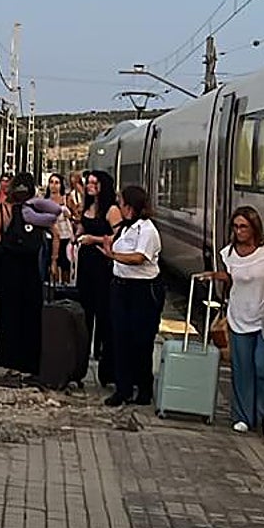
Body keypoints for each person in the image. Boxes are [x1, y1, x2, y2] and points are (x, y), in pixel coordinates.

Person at [207, 206, 264, 440]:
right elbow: (233, 280)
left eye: (243, 226)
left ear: (254, 227)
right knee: (242, 369)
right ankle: (242, 416)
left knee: (263, 366)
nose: (239, 231)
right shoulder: (228, 253)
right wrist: (220, 277)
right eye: (236, 227)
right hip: (239, 317)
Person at [0, 173, 62, 386]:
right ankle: (32, 366)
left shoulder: (3, 208)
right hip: (31, 270)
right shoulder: (35, 211)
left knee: (10, 317)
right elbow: (55, 229)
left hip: (9, 270)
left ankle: (11, 367)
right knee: (31, 316)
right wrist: (54, 261)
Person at [100, 186, 164, 407]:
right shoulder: (128, 228)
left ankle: (144, 387)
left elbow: (139, 258)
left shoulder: (147, 230)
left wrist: (114, 255)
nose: (119, 206)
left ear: (130, 206)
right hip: (121, 286)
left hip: (141, 290)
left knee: (141, 340)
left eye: (122, 203)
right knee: (120, 337)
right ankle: (123, 387)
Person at [75, 170, 123, 387]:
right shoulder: (88, 207)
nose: (90, 186)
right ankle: (78, 366)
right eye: (89, 182)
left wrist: (93, 239)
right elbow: (83, 226)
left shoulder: (112, 210)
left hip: (102, 266)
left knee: (103, 317)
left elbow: (120, 237)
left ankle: (107, 369)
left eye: (95, 183)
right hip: (85, 265)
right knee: (84, 315)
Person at [44, 174, 74, 284]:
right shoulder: (45, 201)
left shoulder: (66, 199)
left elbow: (75, 216)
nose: (54, 185)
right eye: (51, 182)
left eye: (56, 183)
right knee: (51, 265)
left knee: (65, 265)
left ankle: (65, 287)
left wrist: (69, 215)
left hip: (65, 236)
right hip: (50, 236)